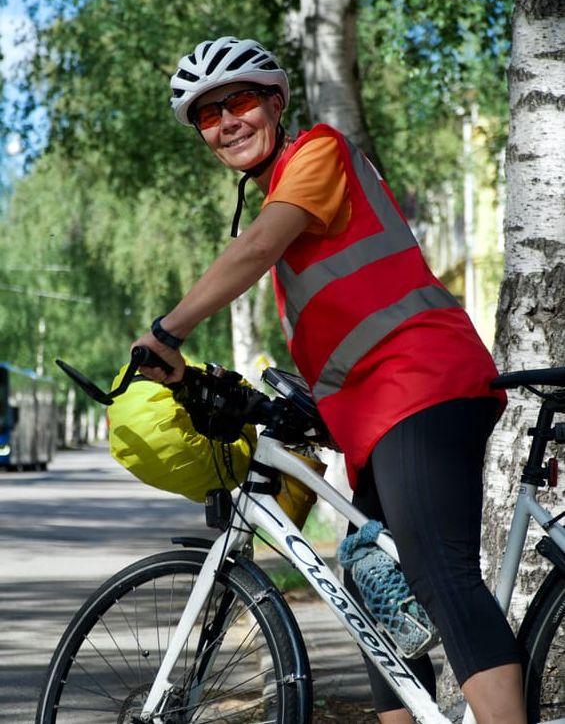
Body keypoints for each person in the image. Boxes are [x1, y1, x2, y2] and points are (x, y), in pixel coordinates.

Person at [133, 36, 526, 724]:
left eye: (241, 101)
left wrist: (168, 331)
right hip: (381, 405)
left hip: (422, 379)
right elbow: (343, 322)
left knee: (437, 574)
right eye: (207, 114)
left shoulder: (317, 153)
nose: (226, 121)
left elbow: (257, 247)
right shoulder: (287, 196)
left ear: (275, 102)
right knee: (373, 584)